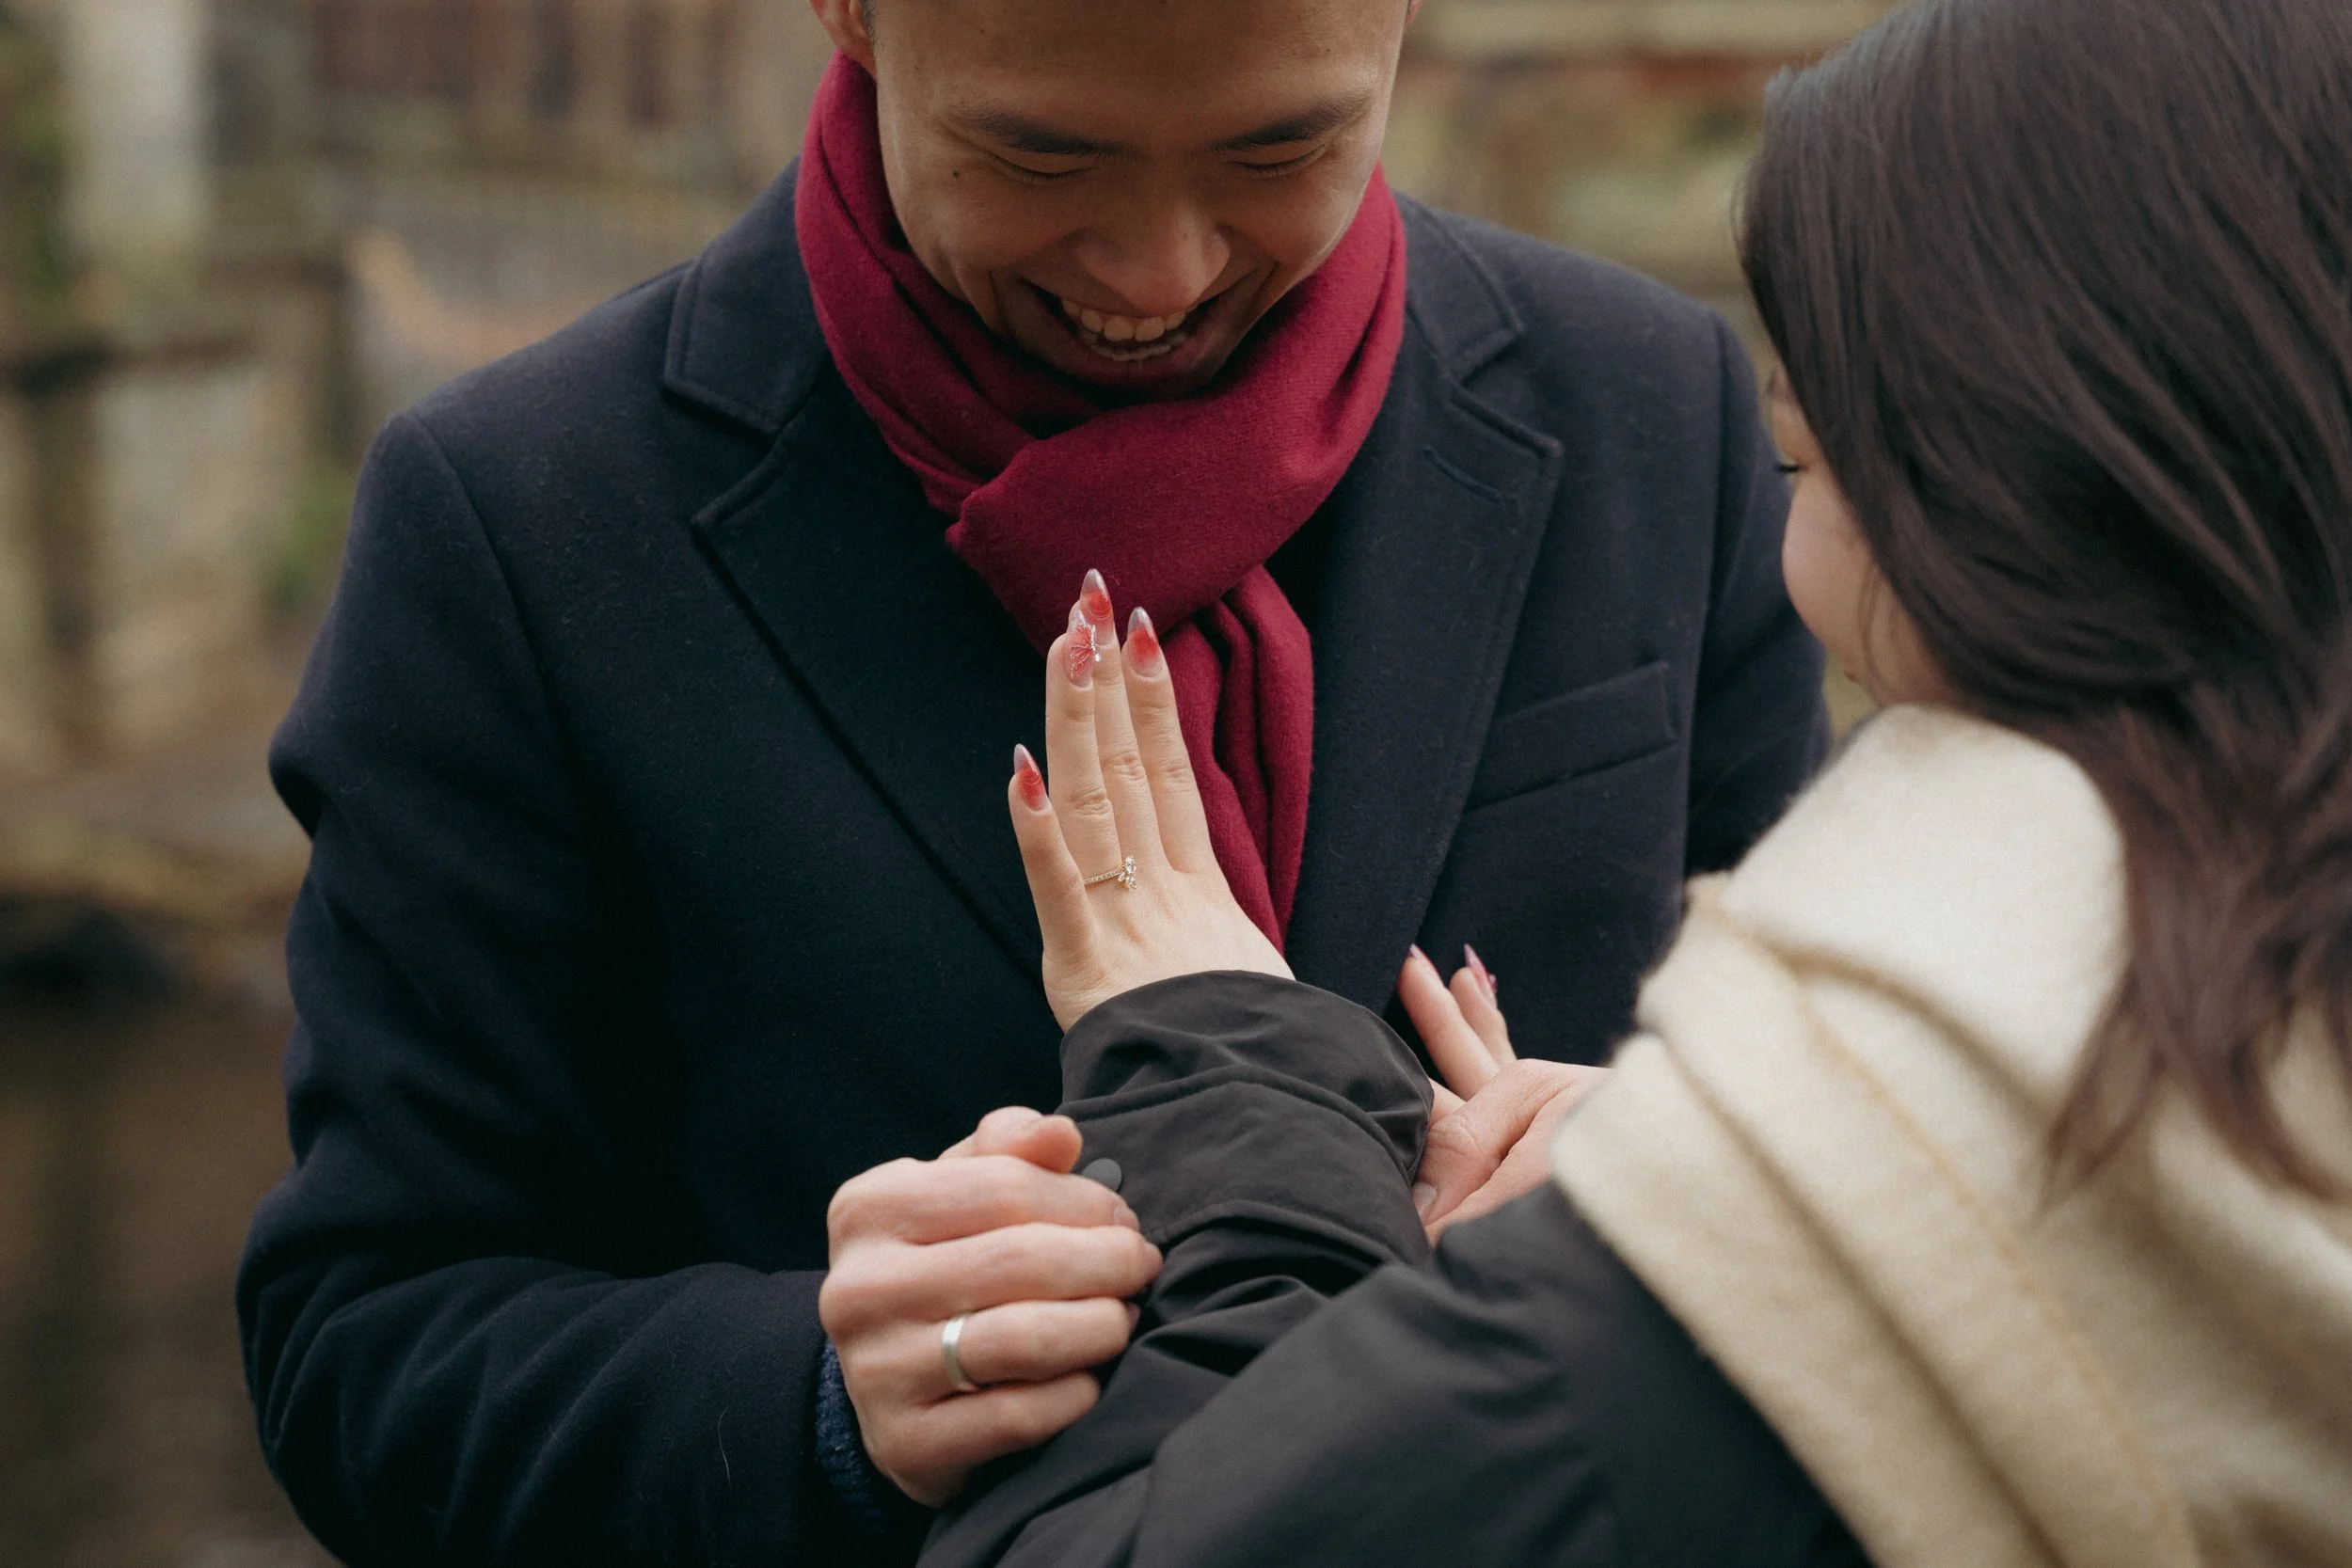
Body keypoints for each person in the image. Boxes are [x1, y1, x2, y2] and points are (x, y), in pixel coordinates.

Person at [234, 0, 1825, 1560]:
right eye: (1040, 159)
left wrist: (1676, 1184)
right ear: (848, 14)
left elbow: (1851, 1135)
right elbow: (366, 1345)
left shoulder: (1651, 411)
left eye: (1287, 146)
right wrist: (814, 1405)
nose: (1163, 269)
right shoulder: (517, 520)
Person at [915, 0, 2352, 1562]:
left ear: (2000, 480)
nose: (1164, 271)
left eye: (1811, 460)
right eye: (1034, 150)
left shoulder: (1848, 1190)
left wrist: (1238, 1081)